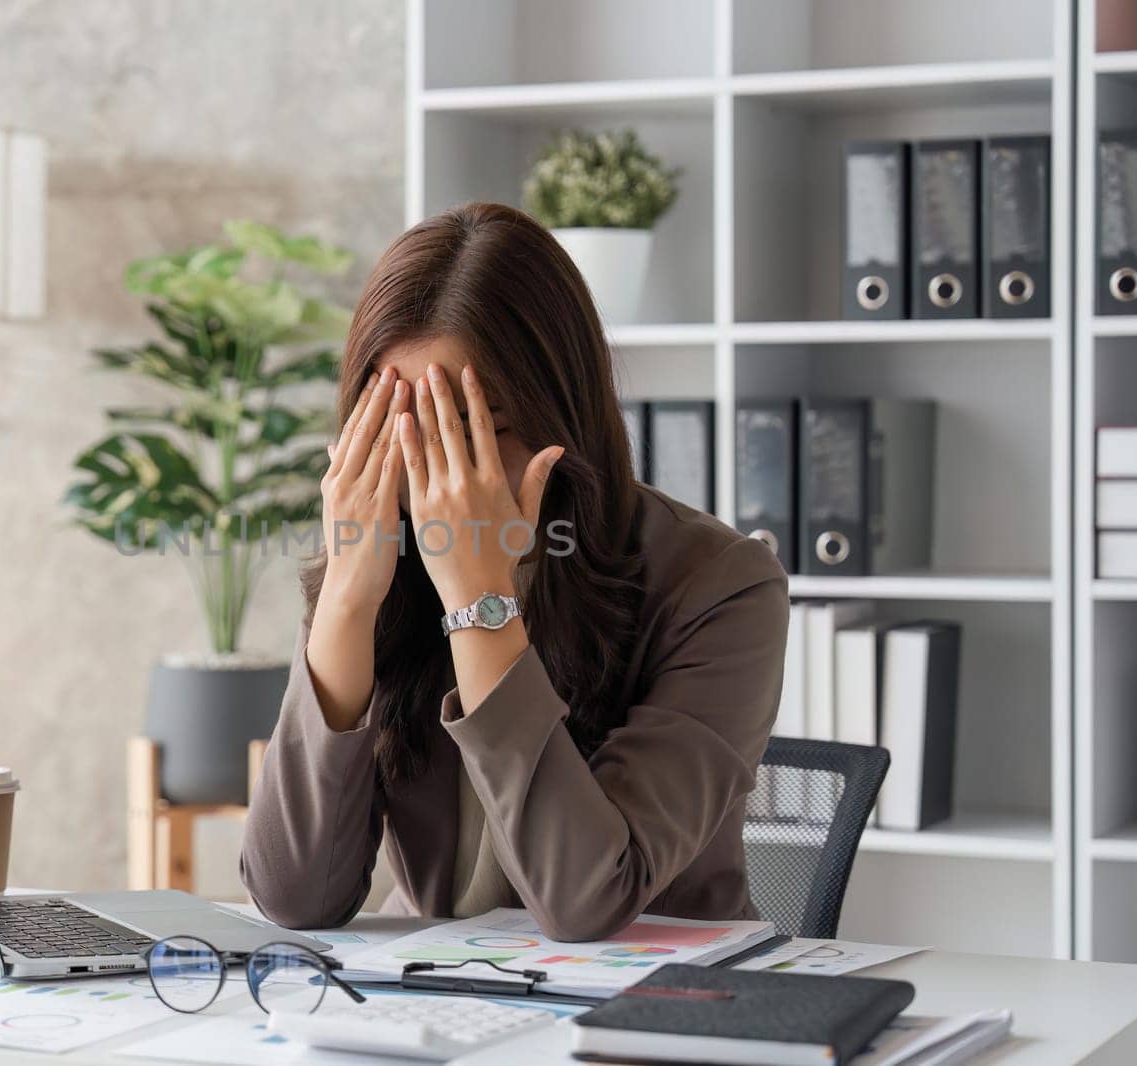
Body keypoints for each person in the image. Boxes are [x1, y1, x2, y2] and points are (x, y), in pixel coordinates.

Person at [240, 202, 787, 942]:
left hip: (650, 1001)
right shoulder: (375, 561)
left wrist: (477, 596)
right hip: (437, 995)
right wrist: (344, 600)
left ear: (560, 409)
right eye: (406, 427)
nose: (438, 473)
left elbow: (587, 900)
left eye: (478, 427)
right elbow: (293, 897)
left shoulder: (721, 586)